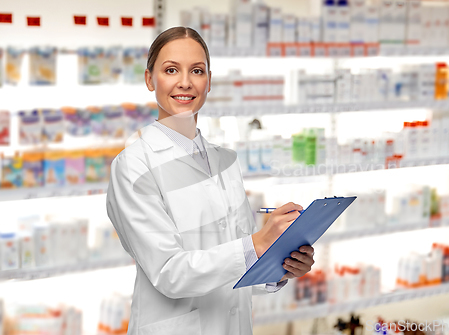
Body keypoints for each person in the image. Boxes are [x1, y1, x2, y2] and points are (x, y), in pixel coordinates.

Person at [106, 26, 315, 335]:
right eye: (171, 69)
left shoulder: (224, 161)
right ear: (150, 79)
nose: (185, 82)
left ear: (209, 81)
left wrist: (278, 267)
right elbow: (169, 273)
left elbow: (235, 266)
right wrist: (257, 244)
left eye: (197, 70)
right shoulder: (133, 165)